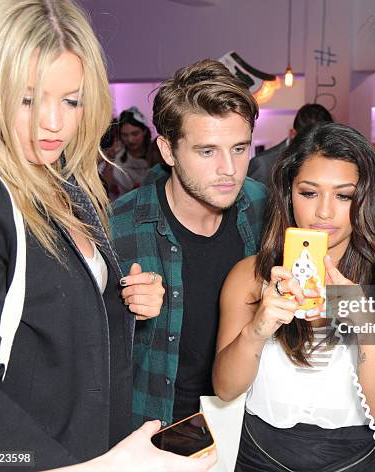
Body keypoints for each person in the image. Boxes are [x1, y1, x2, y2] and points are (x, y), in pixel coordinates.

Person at [0, 1, 215, 470]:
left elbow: (50, 327)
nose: (54, 122)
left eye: (71, 100)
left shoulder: (67, 182)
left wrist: (127, 301)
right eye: (28, 98)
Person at [213, 122, 375, 471]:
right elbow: (225, 389)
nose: (324, 212)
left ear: (366, 199)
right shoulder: (250, 276)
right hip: (259, 457)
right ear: (288, 194)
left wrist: (363, 320)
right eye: (309, 193)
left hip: (354, 459)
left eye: (344, 195)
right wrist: (257, 329)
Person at [110, 59, 268, 429]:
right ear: (167, 151)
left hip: (251, 422)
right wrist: (123, 312)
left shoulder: (265, 207)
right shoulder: (118, 227)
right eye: (207, 151)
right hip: (156, 429)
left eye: (240, 148)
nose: (229, 168)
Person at [247, 103, 333, 187]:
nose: (316, 148)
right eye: (308, 141)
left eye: (324, 142)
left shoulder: (330, 161)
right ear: (292, 134)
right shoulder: (263, 165)